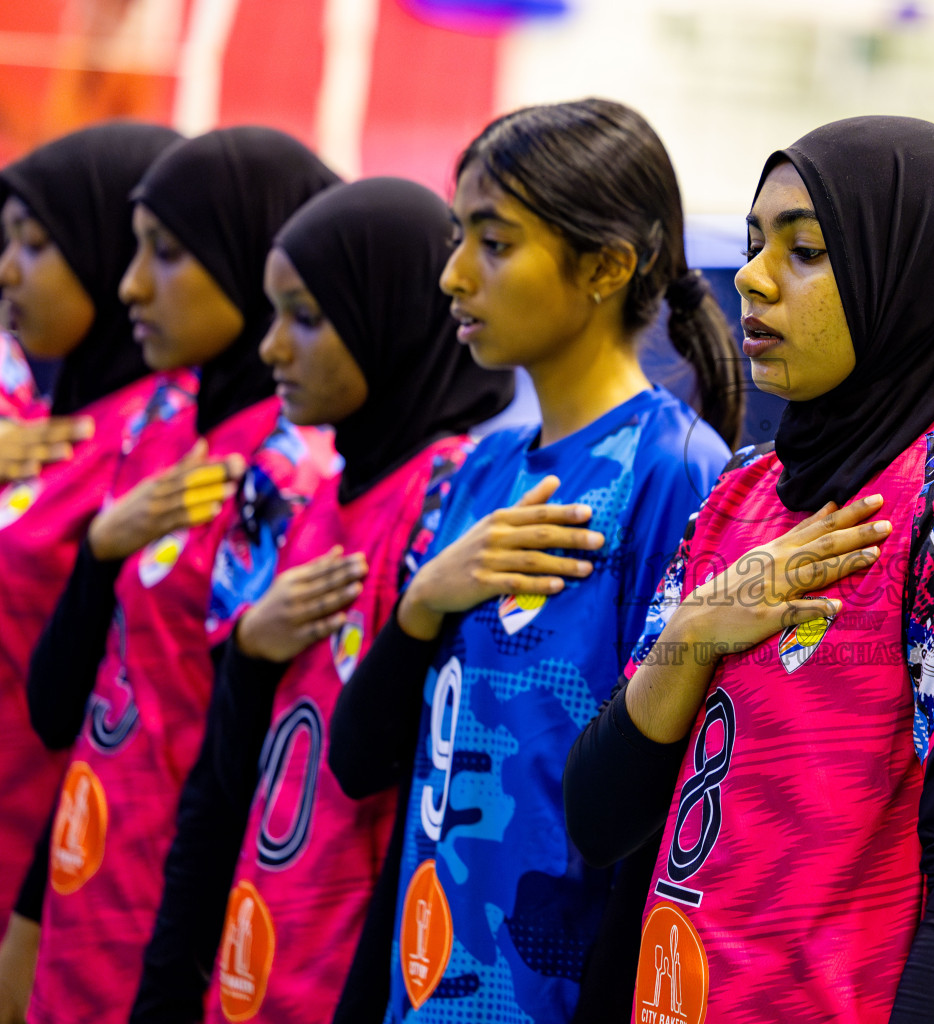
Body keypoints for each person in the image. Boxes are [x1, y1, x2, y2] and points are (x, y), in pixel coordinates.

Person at [562, 115, 934, 1024]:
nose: (752, 278)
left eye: (804, 251)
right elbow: (603, 821)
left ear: (907, 278)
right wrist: (695, 630)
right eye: (756, 244)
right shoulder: (743, 491)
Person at [327, 98, 739, 1023]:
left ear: (605, 266)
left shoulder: (675, 474)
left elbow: (658, 808)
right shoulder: (480, 470)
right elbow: (363, 766)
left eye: (495, 242)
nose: (453, 276)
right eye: (456, 237)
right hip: (422, 990)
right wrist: (423, 603)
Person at [130, 177, 516, 1024]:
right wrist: (250, 655)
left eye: (305, 317)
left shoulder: (457, 499)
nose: (272, 348)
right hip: (253, 950)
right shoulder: (305, 490)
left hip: (355, 972)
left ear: (387, 314)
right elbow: (227, 781)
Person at [24, 126, 339, 1023]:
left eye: (165, 255)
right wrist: (99, 551)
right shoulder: (163, 415)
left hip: (176, 917)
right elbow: (67, 702)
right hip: (84, 878)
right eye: (133, 253)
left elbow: (242, 761)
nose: (131, 286)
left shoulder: (287, 472)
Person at [0, 121, 186, 1021]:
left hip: (64, 865)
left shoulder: (156, 442)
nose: (7, 270)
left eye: (36, 245)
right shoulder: (52, 422)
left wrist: (34, 909)